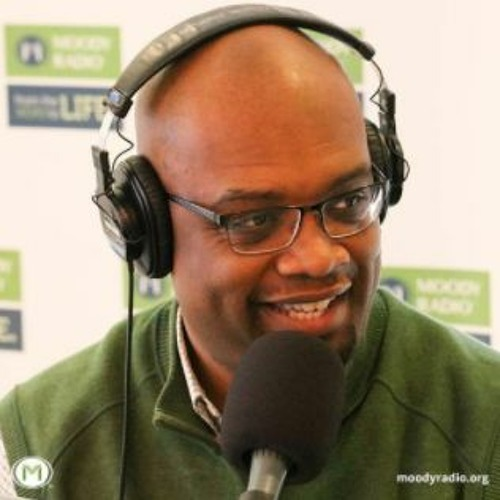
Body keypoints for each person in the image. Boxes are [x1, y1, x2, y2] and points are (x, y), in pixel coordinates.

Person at [1, 5, 500, 499]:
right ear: (148, 228)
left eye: (348, 202)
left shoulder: (485, 425)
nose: (318, 258)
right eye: (254, 220)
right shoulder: (36, 446)